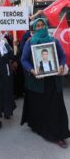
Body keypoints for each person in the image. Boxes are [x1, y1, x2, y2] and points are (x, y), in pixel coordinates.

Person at [21, 17, 70, 148]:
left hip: (53, 81)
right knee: (40, 107)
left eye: (43, 25)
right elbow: (24, 59)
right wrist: (32, 70)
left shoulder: (54, 41)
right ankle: (40, 128)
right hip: (38, 82)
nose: (41, 27)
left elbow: (62, 56)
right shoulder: (30, 42)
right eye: (38, 26)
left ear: (46, 26)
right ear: (35, 28)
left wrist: (60, 66)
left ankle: (59, 135)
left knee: (55, 108)